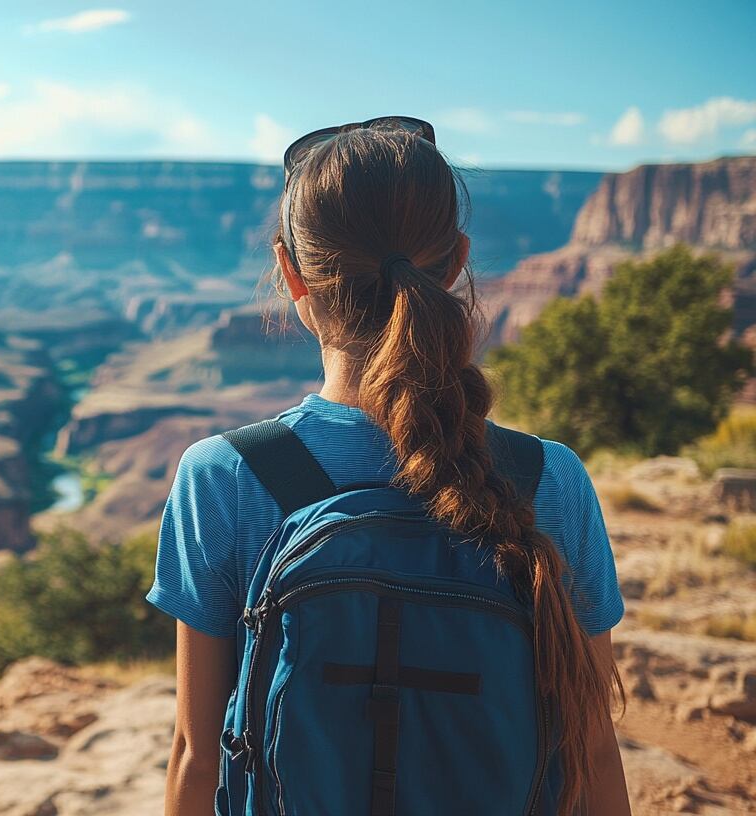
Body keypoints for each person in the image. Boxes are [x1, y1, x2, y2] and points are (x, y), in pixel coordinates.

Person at [150, 117, 629, 815]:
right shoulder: (547, 480)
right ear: (458, 261)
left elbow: (199, 756)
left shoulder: (221, 477)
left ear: (291, 274)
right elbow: (589, 751)